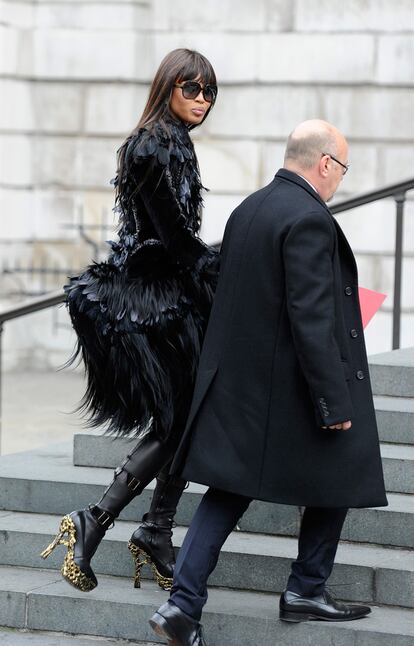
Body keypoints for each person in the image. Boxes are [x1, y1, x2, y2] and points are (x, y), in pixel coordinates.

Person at [149, 120, 388, 645]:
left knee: (226, 492)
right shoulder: (309, 218)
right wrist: (332, 399)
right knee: (344, 461)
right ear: (325, 163)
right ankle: (305, 588)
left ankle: (182, 605)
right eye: (341, 168)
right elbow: (310, 316)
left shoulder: (249, 209)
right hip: (286, 393)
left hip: (242, 388)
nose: (339, 180)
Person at [41, 48, 219, 594]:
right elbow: (170, 235)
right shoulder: (154, 142)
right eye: (192, 89)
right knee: (179, 419)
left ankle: (150, 526)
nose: (203, 101)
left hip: (167, 296)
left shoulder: (171, 141)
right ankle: (105, 520)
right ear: (167, 87)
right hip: (154, 304)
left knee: (183, 418)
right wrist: (220, 266)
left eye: (210, 92)